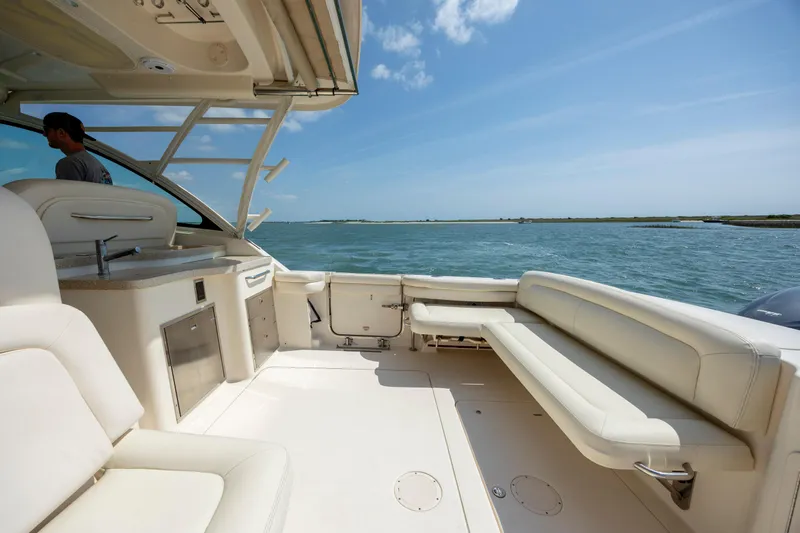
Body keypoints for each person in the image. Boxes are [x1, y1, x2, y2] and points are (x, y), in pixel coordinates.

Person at [42, 112, 113, 185]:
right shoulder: (99, 167)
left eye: (46, 130)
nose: (44, 134)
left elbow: (67, 195)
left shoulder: (70, 163)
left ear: (61, 133)